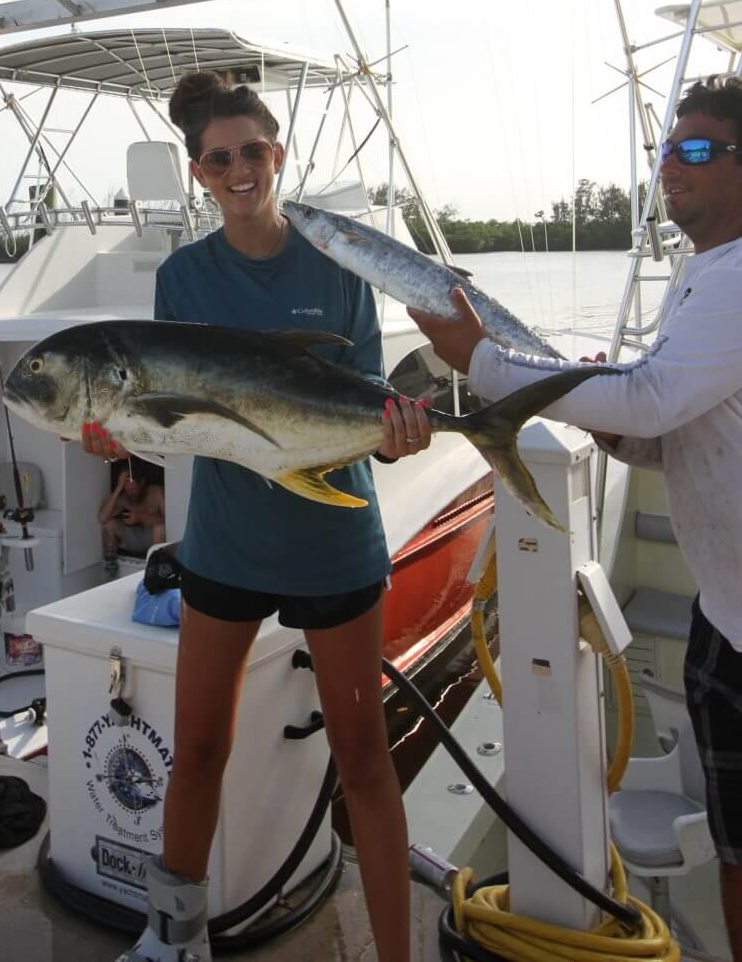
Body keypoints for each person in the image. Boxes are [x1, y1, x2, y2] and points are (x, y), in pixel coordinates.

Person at [82, 69, 431, 962]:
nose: (240, 169)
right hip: (228, 546)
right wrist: (120, 443)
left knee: (363, 758)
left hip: (333, 539)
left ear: (278, 155)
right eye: (219, 158)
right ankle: (171, 942)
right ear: (199, 172)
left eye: (254, 152)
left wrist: (391, 434)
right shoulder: (182, 278)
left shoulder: (338, 266)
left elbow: (363, 400)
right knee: (195, 749)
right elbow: (177, 417)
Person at [405, 74, 742, 962]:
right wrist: (614, 425)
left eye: (697, 148)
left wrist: (477, 356)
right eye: (667, 148)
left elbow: (656, 392)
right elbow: (671, 431)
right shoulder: (703, 276)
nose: (671, 164)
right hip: (722, 615)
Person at [98, 467, 166, 577]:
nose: (131, 494)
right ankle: (110, 567)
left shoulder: (156, 493)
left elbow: (170, 519)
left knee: (160, 528)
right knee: (109, 524)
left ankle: (157, 568)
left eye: (133, 489)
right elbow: (103, 518)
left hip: (153, 539)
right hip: (133, 540)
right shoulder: (124, 498)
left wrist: (142, 517)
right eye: (127, 490)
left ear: (142, 483)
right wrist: (118, 489)